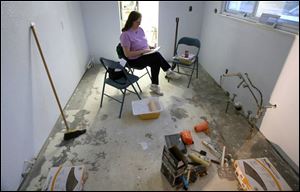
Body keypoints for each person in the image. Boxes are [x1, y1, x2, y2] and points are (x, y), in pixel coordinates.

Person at [120, 11, 179, 96]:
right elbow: (127, 54)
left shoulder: (140, 30)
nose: (139, 24)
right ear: (131, 21)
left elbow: (143, 43)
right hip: (134, 61)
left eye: (140, 21)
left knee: (156, 60)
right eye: (138, 22)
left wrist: (150, 48)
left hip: (144, 56)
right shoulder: (125, 35)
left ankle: (155, 85)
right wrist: (143, 51)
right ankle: (168, 72)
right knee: (156, 56)